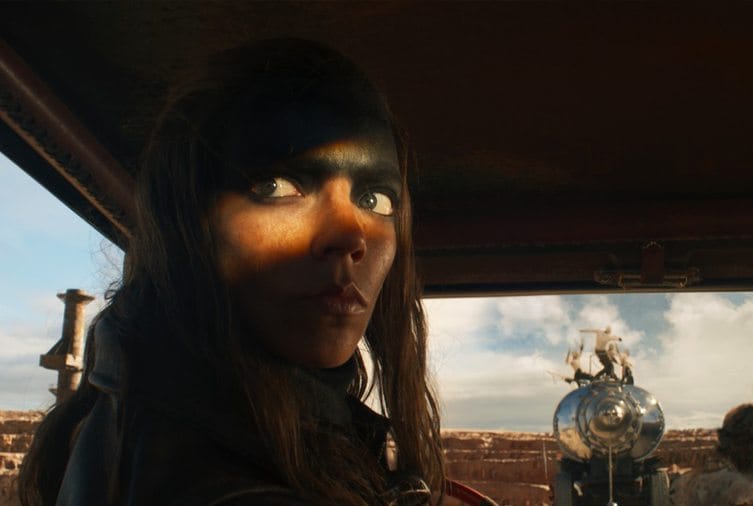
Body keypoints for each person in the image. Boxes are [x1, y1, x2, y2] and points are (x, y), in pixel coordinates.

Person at [19, 39, 444, 505]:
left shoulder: (130, 414)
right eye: (277, 186)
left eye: (374, 199)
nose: (350, 235)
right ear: (187, 222)